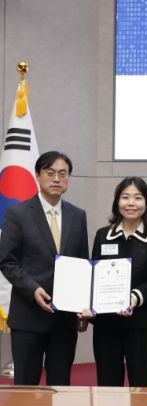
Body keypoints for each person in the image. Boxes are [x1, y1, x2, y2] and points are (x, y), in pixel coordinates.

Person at [0, 151, 89, 385]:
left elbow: (82, 265)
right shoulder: (17, 214)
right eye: (50, 173)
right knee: (26, 385)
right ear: (38, 176)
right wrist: (33, 289)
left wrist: (83, 307)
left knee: (60, 385)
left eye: (63, 173)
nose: (57, 179)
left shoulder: (78, 216)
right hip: (28, 315)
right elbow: (7, 261)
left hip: (64, 318)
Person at [91, 177, 147, 386]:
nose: (131, 203)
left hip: (143, 323)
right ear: (117, 202)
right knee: (108, 385)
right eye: (125, 197)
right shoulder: (103, 235)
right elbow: (94, 276)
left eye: (137, 198)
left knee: (143, 385)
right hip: (107, 324)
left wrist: (134, 297)